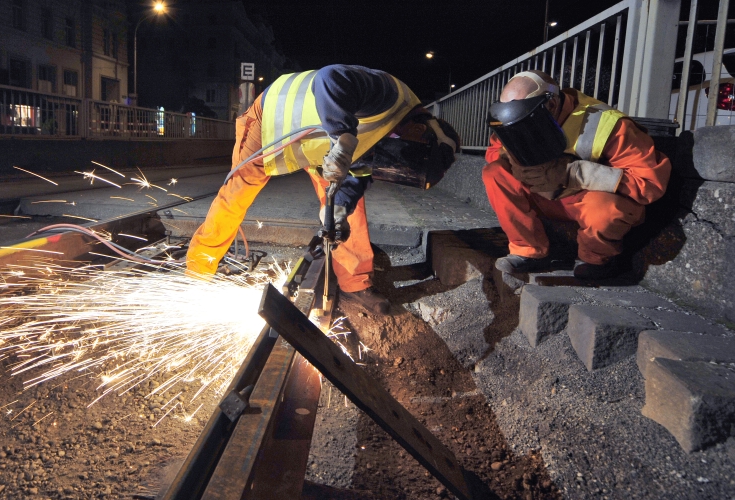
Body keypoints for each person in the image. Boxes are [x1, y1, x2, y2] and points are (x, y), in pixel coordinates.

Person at [185, 65, 459, 314]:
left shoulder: (394, 139)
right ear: (420, 130)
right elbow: (331, 78)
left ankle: (356, 283)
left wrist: (339, 207)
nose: (398, 167)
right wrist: (344, 138)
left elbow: (357, 177)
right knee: (237, 194)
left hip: (322, 145)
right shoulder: (389, 95)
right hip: (272, 118)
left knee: (352, 210)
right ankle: (199, 271)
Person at [483, 70, 671, 279]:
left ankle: (595, 259)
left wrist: (575, 173)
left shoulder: (608, 124)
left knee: (607, 208)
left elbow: (650, 183)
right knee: (495, 173)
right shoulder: (517, 118)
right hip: (544, 199)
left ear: (551, 105)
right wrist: (512, 161)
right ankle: (529, 251)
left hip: (585, 204)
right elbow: (493, 152)